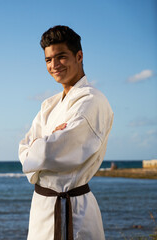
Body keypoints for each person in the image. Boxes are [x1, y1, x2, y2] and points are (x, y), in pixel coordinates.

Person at [19, 25, 113, 240]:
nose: (54, 65)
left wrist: (41, 143)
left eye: (61, 57)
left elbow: (51, 153)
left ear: (79, 56)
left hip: (71, 209)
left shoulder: (91, 100)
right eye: (48, 60)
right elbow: (23, 150)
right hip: (41, 207)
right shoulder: (49, 105)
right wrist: (47, 139)